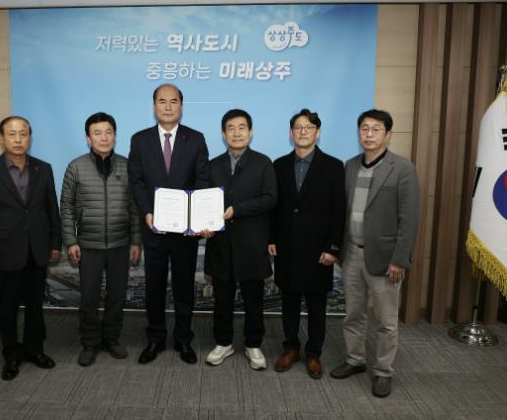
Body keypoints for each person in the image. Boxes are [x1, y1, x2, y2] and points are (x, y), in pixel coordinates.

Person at [330, 109, 419, 398]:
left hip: (385, 258)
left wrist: (399, 259)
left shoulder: (403, 169)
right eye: (364, 128)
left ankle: (383, 371)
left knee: (386, 320)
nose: (369, 134)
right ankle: (355, 360)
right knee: (353, 314)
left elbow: (409, 219)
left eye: (376, 129)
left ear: (388, 134)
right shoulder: (350, 166)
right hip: (351, 254)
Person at [0, 115, 61, 381]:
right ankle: (11, 355)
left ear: (29, 137)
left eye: (23, 134)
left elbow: (52, 209)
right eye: (12, 134)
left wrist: (55, 243)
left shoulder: (43, 169)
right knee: (7, 307)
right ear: (2, 138)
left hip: (38, 249)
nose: (18, 139)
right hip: (4, 251)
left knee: (35, 304)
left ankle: (35, 349)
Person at [128, 83, 210, 364]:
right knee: (154, 287)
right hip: (154, 228)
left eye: (173, 101)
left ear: (181, 106)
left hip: (185, 232)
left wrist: (197, 218)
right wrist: (147, 213)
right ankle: (155, 339)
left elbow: (202, 180)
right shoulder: (139, 140)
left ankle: (184, 339)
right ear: (154, 106)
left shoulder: (195, 139)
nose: (167, 106)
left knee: (184, 287)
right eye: (162, 101)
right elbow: (136, 181)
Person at [268, 109, 345, 379]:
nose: (303, 131)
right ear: (290, 133)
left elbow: (338, 211)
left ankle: (314, 353)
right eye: (298, 127)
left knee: (316, 307)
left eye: (309, 127)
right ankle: (290, 348)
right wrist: (271, 238)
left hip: (318, 250)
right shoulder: (278, 165)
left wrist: (333, 248)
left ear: (317, 132)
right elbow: (273, 208)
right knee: (288, 303)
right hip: (287, 247)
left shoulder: (334, 166)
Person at [60, 112, 141, 367]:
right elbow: (67, 207)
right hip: (88, 246)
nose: (104, 137)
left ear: (115, 135)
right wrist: (71, 241)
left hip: (120, 244)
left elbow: (134, 207)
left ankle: (111, 339)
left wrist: (136, 241)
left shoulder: (127, 166)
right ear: (88, 138)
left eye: (108, 132)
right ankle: (89, 342)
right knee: (89, 299)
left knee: (117, 296)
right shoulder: (76, 167)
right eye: (97, 133)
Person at [202, 109, 277, 370]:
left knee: (254, 300)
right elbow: (203, 201)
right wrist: (203, 225)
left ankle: (253, 344)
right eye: (231, 128)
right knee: (222, 300)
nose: (236, 133)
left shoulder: (263, 163)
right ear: (223, 134)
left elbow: (270, 199)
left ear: (250, 132)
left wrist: (237, 210)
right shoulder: (213, 165)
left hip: (252, 243)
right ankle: (223, 343)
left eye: (242, 127)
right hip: (220, 244)